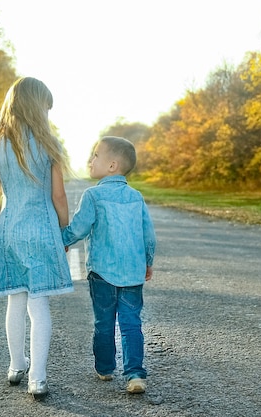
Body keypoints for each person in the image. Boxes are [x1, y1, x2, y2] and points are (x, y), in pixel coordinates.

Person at [0, 77, 73, 400]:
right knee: (39, 306)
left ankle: (16, 365)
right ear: (37, 108)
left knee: (14, 301)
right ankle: (38, 377)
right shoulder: (49, 146)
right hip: (41, 231)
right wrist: (65, 233)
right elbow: (59, 197)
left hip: (9, 232)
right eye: (46, 109)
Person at [61, 136, 156, 394]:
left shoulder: (93, 195)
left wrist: (61, 240)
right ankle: (135, 374)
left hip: (102, 273)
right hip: (133, 273)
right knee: (131, 323)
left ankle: (104, 368)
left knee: (104, 322)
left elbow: (79, 228)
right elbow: (148, 234)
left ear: (112, 165)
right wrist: (147, 262)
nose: (90, 160)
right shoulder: (136, 197)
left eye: (95, 156)